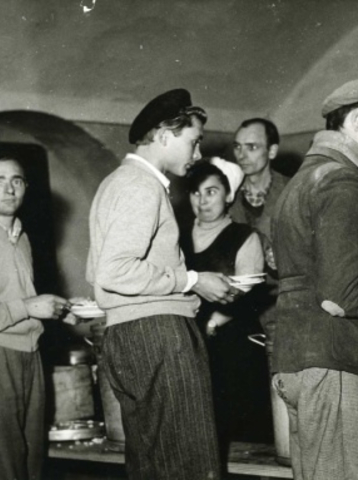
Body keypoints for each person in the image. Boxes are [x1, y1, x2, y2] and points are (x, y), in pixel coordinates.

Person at [86, 89, 239, 480]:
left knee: (155, 464)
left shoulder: (116, 182)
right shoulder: (140, 186)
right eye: (194, 140)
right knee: (190, 464)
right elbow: (114, 271)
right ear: (165, 135)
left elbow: (95, 273)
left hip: (129, 333)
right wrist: (192, 280)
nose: (198, 151)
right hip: (158, 336)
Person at [270, 79, 358, 480]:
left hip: (298, 360)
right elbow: (342, 294)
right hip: (333, 361)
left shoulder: (304, 178)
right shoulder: (342, 180)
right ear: (355, 119)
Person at [181, 157, 270, 465]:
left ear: (229, 196)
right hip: (187, 343)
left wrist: (217, 319)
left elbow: (250, 292)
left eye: (211, 192)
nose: (202, 200)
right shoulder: (176, 238)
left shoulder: (244, 237)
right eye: (196, 193)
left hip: (234, 346)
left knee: (239, 438)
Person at [0, 157, 70, 480]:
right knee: (4, 466)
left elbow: (24, 299)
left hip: (31, 355)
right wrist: (28, 307)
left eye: (17, 180)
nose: (9, 189)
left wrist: (59, 310)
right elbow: (24, 305)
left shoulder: (22, 237)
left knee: (33, 461)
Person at [230, 118, 289, 356]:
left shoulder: (294, 191)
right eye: (237, 146)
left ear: (272, 151)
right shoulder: (225, 194)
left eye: (251, 147)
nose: (242, 155)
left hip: (283, 312)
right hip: (238, 314)